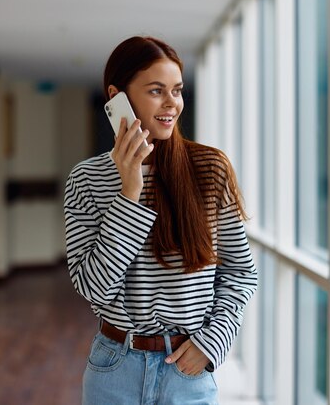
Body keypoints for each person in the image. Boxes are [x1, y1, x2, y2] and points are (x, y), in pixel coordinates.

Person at [64, 36, 257, 405]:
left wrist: (212, 342)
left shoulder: (209, 169)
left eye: (178, 91)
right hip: (114, 367)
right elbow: (94, 289)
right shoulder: (86, 179)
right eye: (156, 91)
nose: (172, 104)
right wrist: (130, 192)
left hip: (187, 369)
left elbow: (240, 272)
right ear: (117, 97)